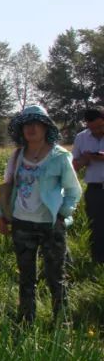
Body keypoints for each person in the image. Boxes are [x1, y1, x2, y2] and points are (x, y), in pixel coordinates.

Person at [0, 105, 82, 324]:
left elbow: (73, 190)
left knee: (56, 277)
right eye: (26, 124)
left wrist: (62, 214)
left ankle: (62, 323)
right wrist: (2, 216)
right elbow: (7, 186)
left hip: (50, 225)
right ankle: (26, 321)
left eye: (36, 123)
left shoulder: (60, 156)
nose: (31, 128)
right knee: (26, 277)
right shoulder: (16, 156)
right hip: (22, 223)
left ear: (45, 127)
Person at [71, 105, 104, 264]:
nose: (97, 130)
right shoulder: (81, 138)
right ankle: (97, 262)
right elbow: (72, 166)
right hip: (95, 189)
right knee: (96, 226)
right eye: (93, 128)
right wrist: (84, 160)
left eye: (100, 126)